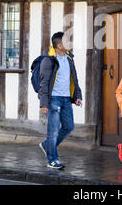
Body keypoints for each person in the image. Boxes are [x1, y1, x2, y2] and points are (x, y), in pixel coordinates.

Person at [38, 32, 83, 170]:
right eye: (66, 41)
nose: (69, 43)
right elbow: (44, 83)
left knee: (69, 126)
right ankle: (52, 159)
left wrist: (77, 95)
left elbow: (74, 78)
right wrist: (44, 103)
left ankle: (47, 145)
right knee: (53, 131)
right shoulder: (49, 59)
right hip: (54, 99)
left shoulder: (69, 58)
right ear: (59, 45)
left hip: (66, 99)